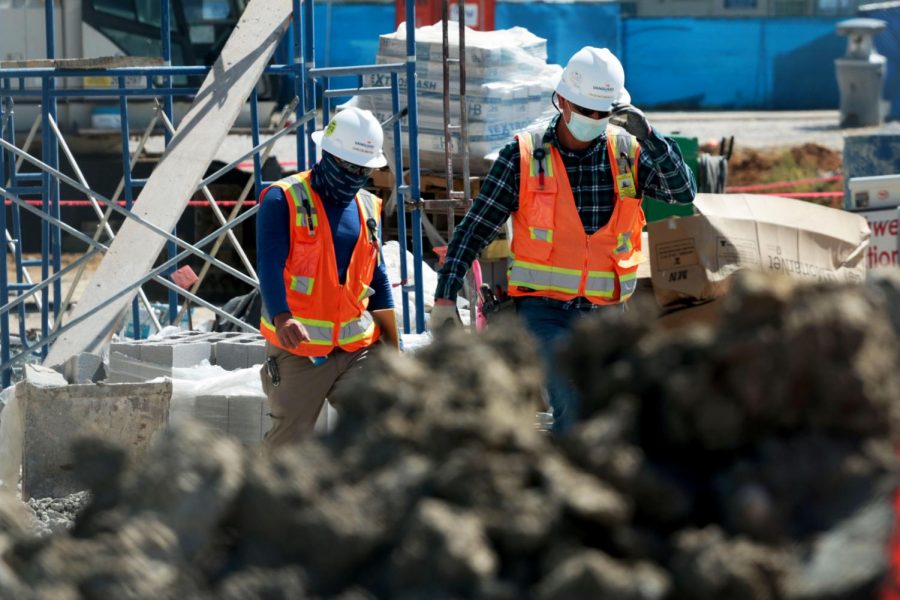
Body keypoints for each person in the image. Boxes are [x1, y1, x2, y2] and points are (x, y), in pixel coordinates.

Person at [430, 47, 697, 432]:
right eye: (586, 110)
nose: (594, 120)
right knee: (572, 397)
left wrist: (652, 137)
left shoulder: (627, 154)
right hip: (544, 313)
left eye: (602, 113)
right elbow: (476, 226)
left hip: (608, 315)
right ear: (564, 101)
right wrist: (444, 296)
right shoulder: (523, 156)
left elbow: (682, 191)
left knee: (610, 413)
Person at [256, 106, 399, 450]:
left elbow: (375, 275)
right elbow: (269, 264)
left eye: (363, 170)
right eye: (349, 167)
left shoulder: (367, 206)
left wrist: (395, 345)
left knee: (380, 431)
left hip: (356, 349)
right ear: (327, 155)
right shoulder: (283, 198)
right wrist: (282, 317)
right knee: (287, 445)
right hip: (298, 350)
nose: (356, 176)